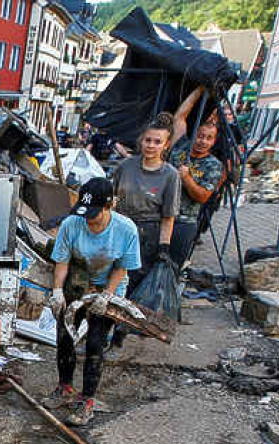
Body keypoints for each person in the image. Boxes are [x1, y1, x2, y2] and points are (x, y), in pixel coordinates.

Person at [45, 178, 141, 426]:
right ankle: (64, 386)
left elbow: (122, 267)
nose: (89, 220)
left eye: (95, 216)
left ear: (110, 206)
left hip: (109, 283)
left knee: (96, 341)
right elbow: (62, 261)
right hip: (78, 279)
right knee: (65, 334)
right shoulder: (71, 225)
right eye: (85, 215)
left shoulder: (125, 229)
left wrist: (107, 295)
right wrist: (57, 291)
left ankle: (88, 398)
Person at [111, 113, 181, 296]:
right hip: (119, 227)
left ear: (166, 145)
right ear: (141, 141)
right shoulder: (125, 166)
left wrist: (163, 247)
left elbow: (168, 216)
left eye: (157, 142)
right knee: (112, 278)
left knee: (135, 285)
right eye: (147, 140)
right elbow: (112, 199)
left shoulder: (170, 175)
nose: (151, 145)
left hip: (147, 235)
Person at [169, 86, 224, 270]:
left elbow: (202, 196)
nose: (203, 141)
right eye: (200, 136)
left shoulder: (213, 165)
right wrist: (199, 90)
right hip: (160, 217)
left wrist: (186, 177)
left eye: (209, 138)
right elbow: (179, 117)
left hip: (184, 223)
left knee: (172, 269)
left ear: (214, 141)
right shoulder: (180, 147)